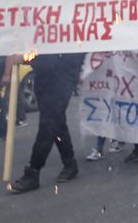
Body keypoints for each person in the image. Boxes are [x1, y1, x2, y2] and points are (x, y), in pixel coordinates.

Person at [10, 52, 85, 193]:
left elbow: (76, 49)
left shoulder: (68, 33)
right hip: (43, 78)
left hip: (63, 78)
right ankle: (70, 163)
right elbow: (39, 49)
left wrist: (77, 70)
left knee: (49, 123)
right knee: (57, 122)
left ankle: (33, 171)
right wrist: (26, 58)